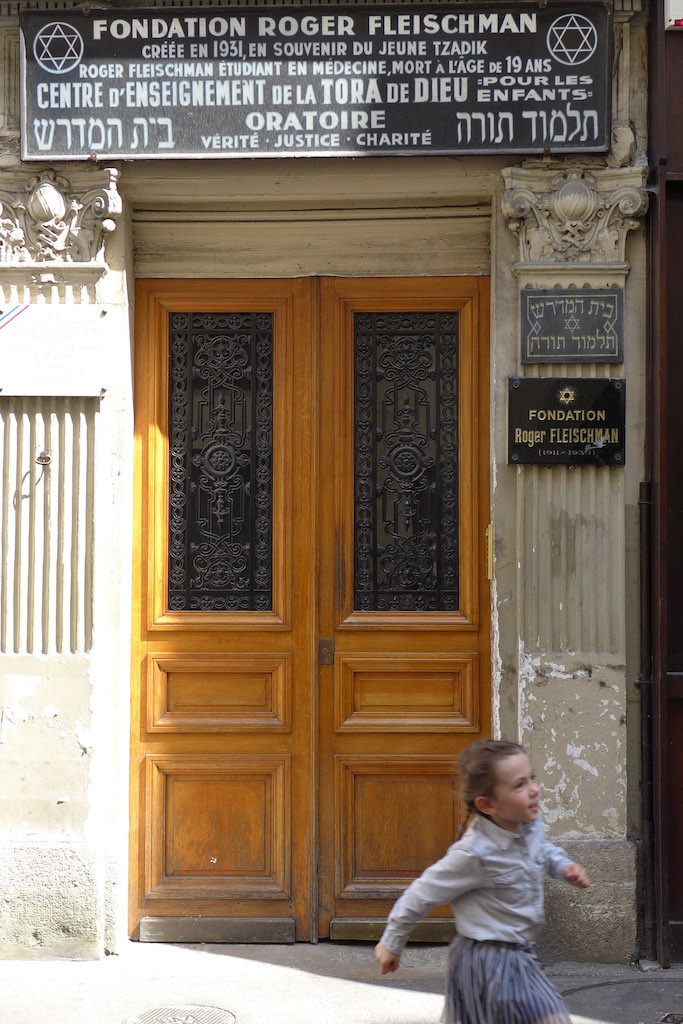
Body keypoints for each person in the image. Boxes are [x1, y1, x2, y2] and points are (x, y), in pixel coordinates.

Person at [374, 738, 590, 1024]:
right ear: (487, 804)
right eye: (519, 785)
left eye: (532, 778)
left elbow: (543, 849)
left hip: (519, 956)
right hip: (484, 960)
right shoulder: (473, 854)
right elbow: (420, 894)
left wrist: (564, 866)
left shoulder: (528, 825)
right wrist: (391, 943)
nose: (534, 790)